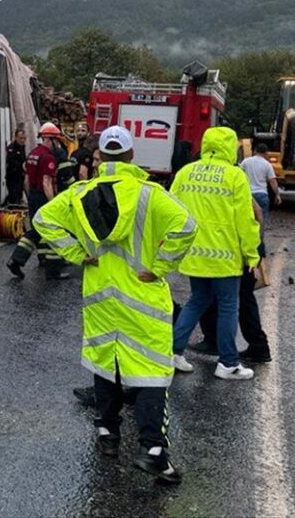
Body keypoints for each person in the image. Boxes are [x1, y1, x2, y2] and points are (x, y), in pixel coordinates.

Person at [34, 125, 196, 483]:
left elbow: (42, 219)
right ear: (131, 156)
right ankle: (153, 450)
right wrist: (160, 267)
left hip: (101, 295)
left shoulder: (80, 193)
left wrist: (77, 253)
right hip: (142, 298)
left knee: (105, 360)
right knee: (152, 372)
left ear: (99, 158)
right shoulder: (148, 195)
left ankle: (108, 433)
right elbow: (186, 226)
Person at [170, 127, 262, 381]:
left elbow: (170, 209)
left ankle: (174, 352)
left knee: (197, 300)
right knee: (228, 307)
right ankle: (229, 363)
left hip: (193, 254)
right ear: (230, 147)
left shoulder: (185, 172)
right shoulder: (235, 175)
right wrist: (252, 255)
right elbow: (245, 220)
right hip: (225, 257)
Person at [191, 199, 272, 363]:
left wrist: (254, 247)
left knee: (230, 299)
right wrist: (258, 244)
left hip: (236, 253)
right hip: (242, 251)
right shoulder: (234, 184)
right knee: (243, 299)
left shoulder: (232, 184)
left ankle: (217, 342)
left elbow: (257, 212)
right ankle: (257, 346)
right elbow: (258, 213)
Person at [6, 123, 69, 280]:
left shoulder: (33, 154)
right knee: (53, 229)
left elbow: (26, 181)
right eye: (57, 140)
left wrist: (30, 197)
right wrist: (54, 204)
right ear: (50, 139)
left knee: (35, 230)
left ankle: (16, 260)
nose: (58, 144)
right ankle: (53, 271)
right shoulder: (48, 157)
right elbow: (47, 183)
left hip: (33, 195)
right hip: (43, 197)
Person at [240, 143, 281, 220]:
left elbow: (239, 174)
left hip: (248, 194)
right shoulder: (267, 164)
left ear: (255, 151)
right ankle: (260, 232)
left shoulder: (246, 162)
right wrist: (277, 194)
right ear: (266, 153)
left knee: (248, 219)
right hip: (262, 194)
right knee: (261, 219)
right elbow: (273, 181)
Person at [4, 126, 27, 205]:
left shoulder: (22, 147)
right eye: (20, 138)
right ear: (16, 137)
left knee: (19, 196)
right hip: (12, 178)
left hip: (20, 177)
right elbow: (11, 162)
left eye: (24, 138)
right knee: (13, 196)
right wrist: (22, 166)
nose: (22, 140)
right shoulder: (12, 148)